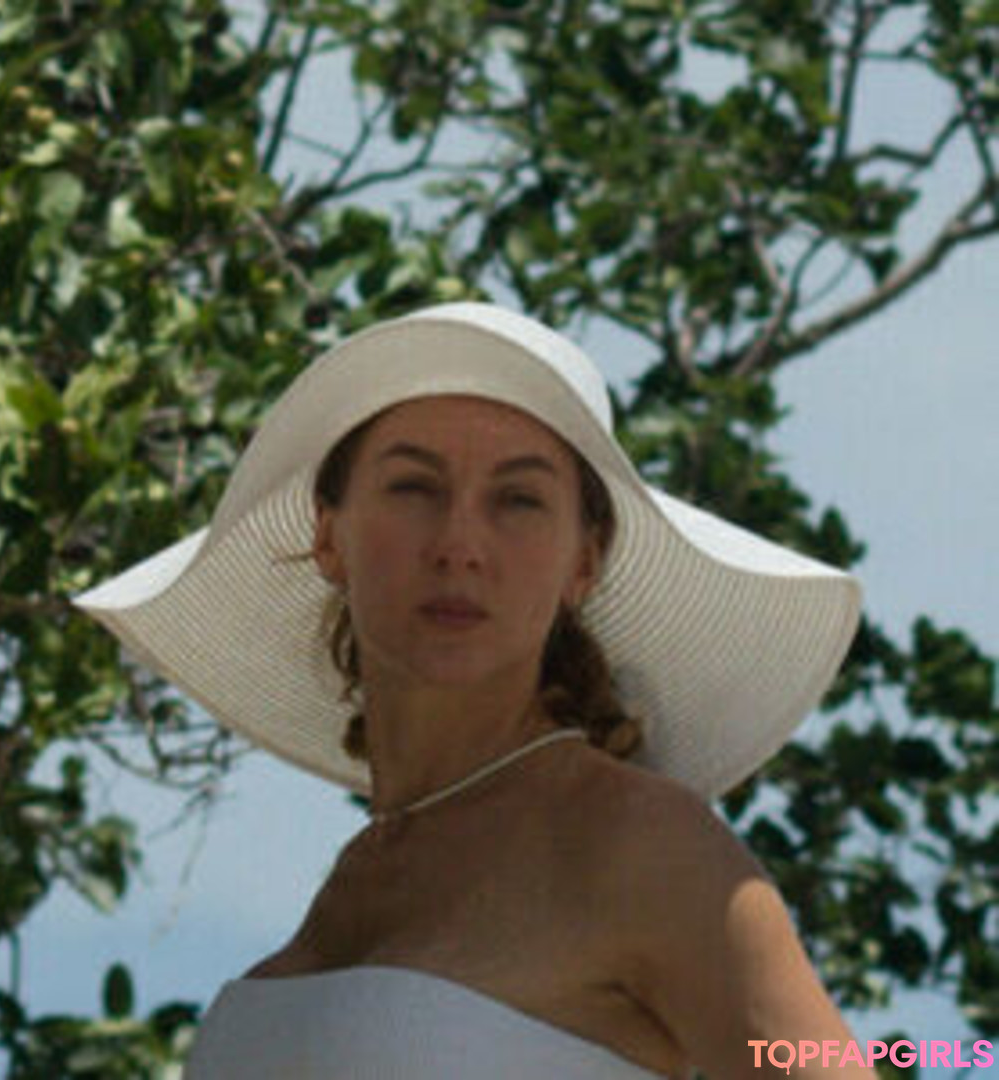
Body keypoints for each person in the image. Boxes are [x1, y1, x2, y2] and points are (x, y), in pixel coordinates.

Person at [74, 303, 877, 1079]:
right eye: (414, 488)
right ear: (328, 536)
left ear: (584, 561)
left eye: (518, 499)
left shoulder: (641, 845)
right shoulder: (355, 881)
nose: (459, 542)